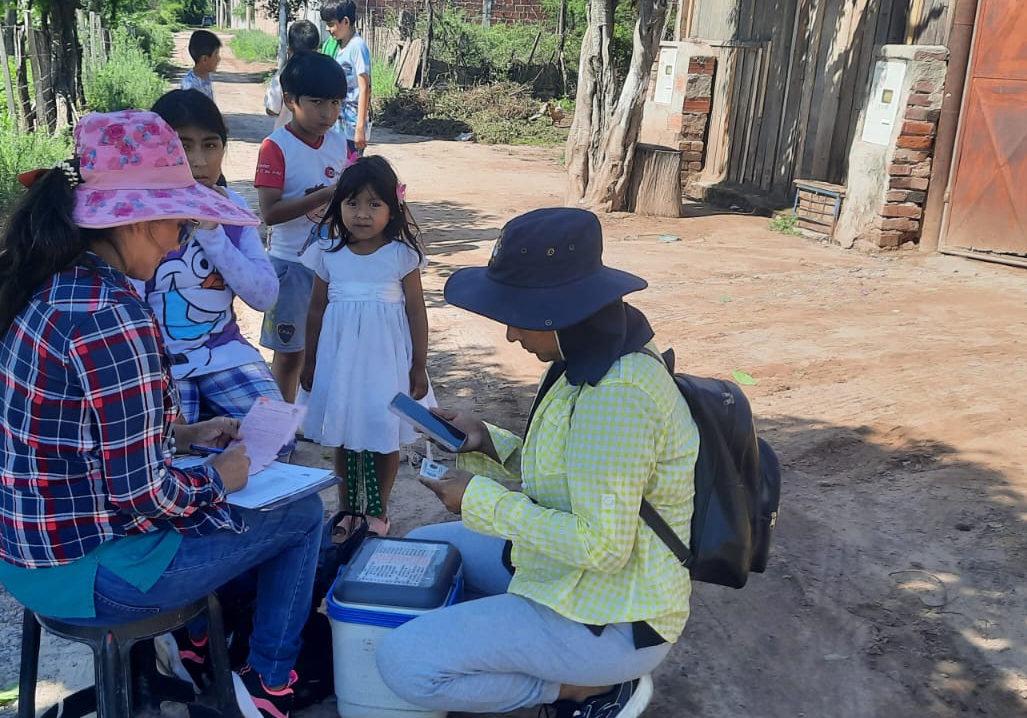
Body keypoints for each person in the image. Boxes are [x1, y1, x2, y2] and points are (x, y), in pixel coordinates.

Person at [0, 109, 324, 718]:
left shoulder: (41, 283)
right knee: (303, 512)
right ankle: (266, 679)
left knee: (227, 501)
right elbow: (146, 498)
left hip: (20, 555)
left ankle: (206, 647)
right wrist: (222, 476)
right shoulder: (113, 316)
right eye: (175, 223)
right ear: (134, 220)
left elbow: (75, 429)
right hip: (86, 575)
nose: (176, 242)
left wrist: (182, 432)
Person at [375, 207, 699, 718]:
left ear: (560, 310)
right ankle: (512, 646)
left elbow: (601, 545)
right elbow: (574, 473)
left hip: (612, 619)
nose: (509, 335)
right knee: (423, 552)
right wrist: (486, 441)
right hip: (572, 581)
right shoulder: (592, 353)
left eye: (517, 315)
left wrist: (479, 499)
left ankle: (582, 690)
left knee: (404, 663)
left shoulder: (617, 395)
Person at [136, 90, 288, 442]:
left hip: (223, 353)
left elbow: (265, 296)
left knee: (276, 438)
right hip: (158, 362)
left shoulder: (231, 209)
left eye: (210, 145)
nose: (199, 160)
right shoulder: (136, 215)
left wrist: (214, 232)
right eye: (183, 145)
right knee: (166, 449)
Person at [298, 156, 429, 536]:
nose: (362, 213)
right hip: (340, 362)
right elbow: (316, 311)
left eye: (375, 204)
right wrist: (310, 361)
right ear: (339, 206)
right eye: (352, 203)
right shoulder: (328, 252)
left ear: (393, 208)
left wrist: (418, 365)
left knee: (383, 431)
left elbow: (417, 315)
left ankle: (378, 511)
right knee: (344, 431)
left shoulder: (402, 256)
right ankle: (347, 509)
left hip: (386, 362)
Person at [254, 51, 350, 403]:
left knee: (325, 348)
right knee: (290, 353)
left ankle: (313, 421)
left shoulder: (342, 145)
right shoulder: (275, 148)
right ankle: (281, 429)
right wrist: (326, 194)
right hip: (291, 266)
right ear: (291, 101)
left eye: (336, 102)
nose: (328, 113)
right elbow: (270, 212)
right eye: (317, 102)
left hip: (333, 267)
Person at [322, 0, 371, 157]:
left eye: (331, 24)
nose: (328, 29)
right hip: (337, 125)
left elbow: (365, 88)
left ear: (345, 21)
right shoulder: (337, 46)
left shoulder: (357, 46)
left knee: (350, 174)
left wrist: (360, 128)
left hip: (352, 126)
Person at [266, 20, 323, 131]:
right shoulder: (323, 75)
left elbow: (272, 109)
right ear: (316, 49)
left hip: (285, 139)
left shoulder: (282, 75)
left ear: (290, 50)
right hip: (314, 138)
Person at [181, 29, 222, 100]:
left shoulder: (204, 76)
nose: (219, 59)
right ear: (204, 59)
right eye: (216, 54)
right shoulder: (191, 88)